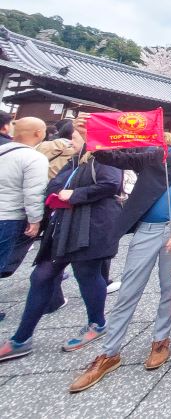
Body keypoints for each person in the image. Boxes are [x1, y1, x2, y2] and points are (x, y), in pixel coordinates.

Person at [70, 115, 171, 392]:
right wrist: (93, 136)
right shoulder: (156, 156)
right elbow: (116, 158)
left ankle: (161, 340)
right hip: (147, 229)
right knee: (129, 290)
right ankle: (109, 352)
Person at [0, 117, 122, 362]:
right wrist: (59, 193)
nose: (70, 141)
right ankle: (21, 337)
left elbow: (111, 184)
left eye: (74, 137)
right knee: (41, 276)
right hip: (64, 224)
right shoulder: (76, 160)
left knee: (87, 274)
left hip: (91, 225)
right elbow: (54, 184)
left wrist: (75, 194)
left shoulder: (105, 157)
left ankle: (97, 323)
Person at [0, 118, 49, 286]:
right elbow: (33, 192)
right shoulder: (34, 158)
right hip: (10, 216)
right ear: (38, 133)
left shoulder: (3, 150)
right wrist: (35, 220)